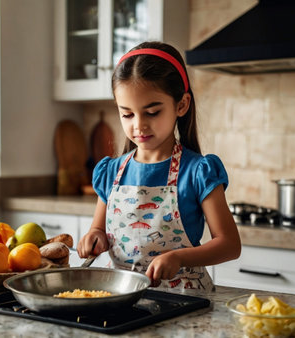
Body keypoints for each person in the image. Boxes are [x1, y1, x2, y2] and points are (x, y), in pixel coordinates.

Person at [77, 41, 241, 291]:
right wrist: (94, 237)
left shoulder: (198, 172)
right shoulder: (110, 172)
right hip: (120, 295)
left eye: (152, 112)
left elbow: (229, 244)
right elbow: (99, 229)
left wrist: (179, 257)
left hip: (183, 302)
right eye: (127, 114)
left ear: (181, 105)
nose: (139, 125)